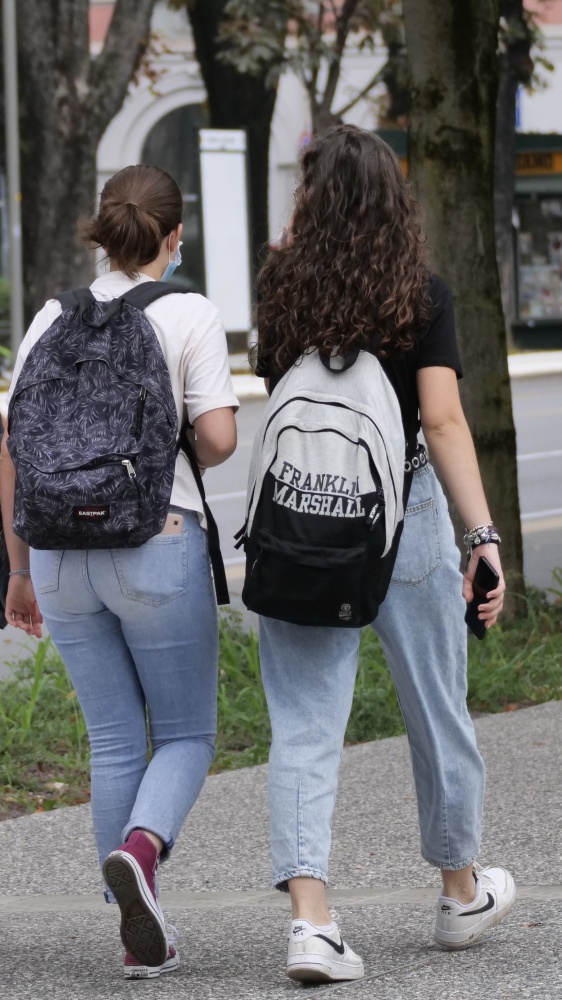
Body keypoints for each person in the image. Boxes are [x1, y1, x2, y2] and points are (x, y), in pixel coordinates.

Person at [251, 125, 515, 983]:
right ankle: (459, 890)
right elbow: (439, 422)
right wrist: (483, 539)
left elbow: (280, 391)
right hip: (403, 516)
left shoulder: (280, 286)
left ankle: (312, 924)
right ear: (393, 198)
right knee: (436, 706)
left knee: (303, 723)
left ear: (312, 198)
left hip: (302, 521)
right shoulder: (421, 293)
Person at [0, 164, 238, 979]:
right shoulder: (189, 312)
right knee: (185, 733)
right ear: (173, 237)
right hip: (155, 543)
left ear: (104, 231)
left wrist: (19, 568)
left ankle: (137, 933)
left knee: (112, 739)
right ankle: (140, 850)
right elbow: (217, 442)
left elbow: (13, 448)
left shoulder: (49, 317)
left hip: (60, 554)